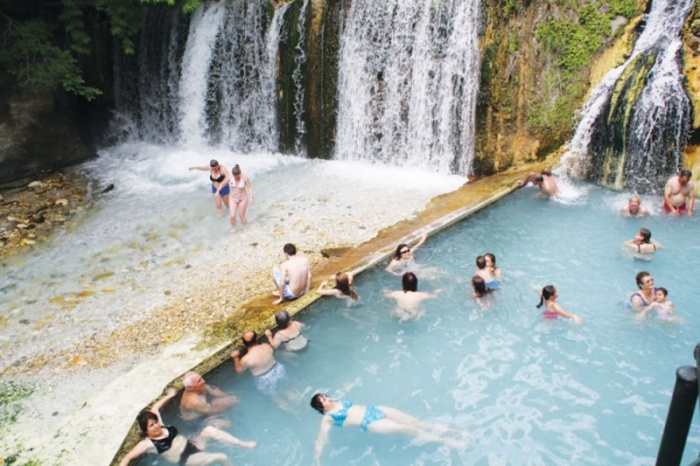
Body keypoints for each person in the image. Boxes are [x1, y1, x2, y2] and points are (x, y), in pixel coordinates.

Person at [310, 393, 467, 465]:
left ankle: (455, 432)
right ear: (321, 407)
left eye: (326, 396)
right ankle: (448, 442)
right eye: (324, 400)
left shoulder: (337, 400)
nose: (328, 398)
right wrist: (317, 460)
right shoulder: (328, 418)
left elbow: (344, 388)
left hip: (375, 409)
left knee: (418, 423)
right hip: (369, 422)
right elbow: (321, 438)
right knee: (408, 429)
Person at [119, 388, 255, 466]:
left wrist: (169, 396)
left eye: (155, 423)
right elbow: (127, 458)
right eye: (151, 426)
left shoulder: (160, 425)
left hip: (193, 444)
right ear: (146, 430)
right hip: (185, 460)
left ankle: (243, 444)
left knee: (209, 430)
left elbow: (154, 408)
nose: (155, 426)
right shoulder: (147, 444)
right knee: (221, 456)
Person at [231, 330, 286, 396]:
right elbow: (273, 347)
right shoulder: (266, 346)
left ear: (244, 343)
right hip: (278, 370)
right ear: (256, 339)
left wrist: (236, 358)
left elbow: (239, 371)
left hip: (264, 379)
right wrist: (269, 336)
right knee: (286, 387)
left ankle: (281, 403)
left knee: (274, 395)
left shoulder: (246, 359)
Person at [228, 164, 254, 232]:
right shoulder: (230, 177)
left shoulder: (245, 178)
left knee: (241, 215)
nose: (237, 177)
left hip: (242, 198)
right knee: (232, 216)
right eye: (235, 176)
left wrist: (251, 197)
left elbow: (249, 187)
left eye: (238, 176)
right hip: (233, 198)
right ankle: (234, 228)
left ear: (240, 173)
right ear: (233, 174)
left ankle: (246, 228)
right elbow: (223, 182)